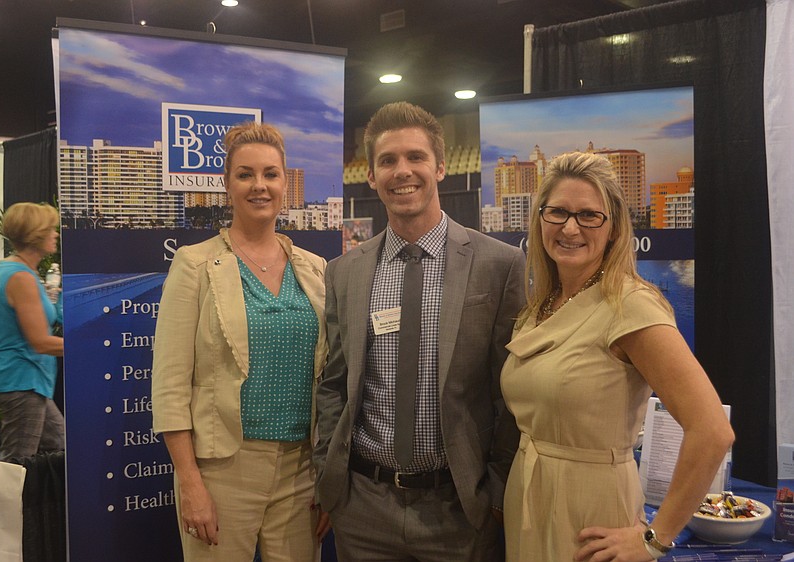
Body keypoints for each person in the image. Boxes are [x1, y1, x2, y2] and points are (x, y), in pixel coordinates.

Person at [314, 101, 526, 561]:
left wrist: (496, 490)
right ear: (370, 175)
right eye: (387, 161)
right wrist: (327, 473)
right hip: (363, 510)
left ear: (441, 167)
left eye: (415, 157)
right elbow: (335, 383)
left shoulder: (499, 265)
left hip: (460, 511)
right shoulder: (344, 272)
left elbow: (510, 390)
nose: (401, 171)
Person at [500, 151, 735, 561]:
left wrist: (655, 538)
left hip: (593, 514)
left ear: (613, 229)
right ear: (540, 220)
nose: (570, 227)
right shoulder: (540, 306)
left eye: (589, 215)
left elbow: (713, 431)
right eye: (557, 212)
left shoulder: (631, 305)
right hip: (527, 498)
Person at [152, 122, 330, 562]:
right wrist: (190, 482)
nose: (259, 186)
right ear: (226, 184)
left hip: (301, 472)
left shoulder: (316, 268)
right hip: (221, 471)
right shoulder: (194, 265)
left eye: (271, 174)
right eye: (245, 174)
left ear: (285, 183)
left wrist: (327, 476)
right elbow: (171, 385)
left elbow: (332, 379)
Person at [0, 202, 65, 463]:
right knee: (15, 464)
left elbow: (43, 317)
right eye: (50, 229)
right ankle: (4, 505)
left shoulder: (9, 268)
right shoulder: (21, 278)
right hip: (20, 380)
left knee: (61, 445)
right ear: (36, 235)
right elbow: (40, 342)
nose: (56, 234)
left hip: (25, 380)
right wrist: (87, 348)